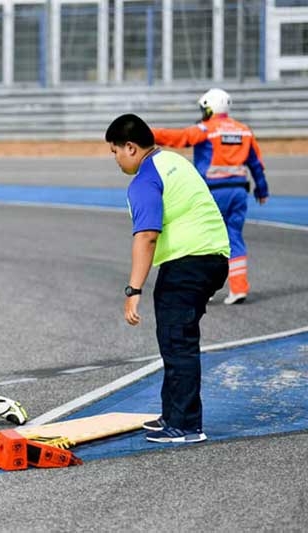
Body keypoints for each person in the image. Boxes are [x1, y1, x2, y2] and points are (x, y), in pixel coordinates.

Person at [106, 113, 229, 444]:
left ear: (130, 147)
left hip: (189, 263)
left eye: (114, 150)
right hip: (211, 257)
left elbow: (146, 236)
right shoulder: (172, 160)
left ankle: (186, 426)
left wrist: (133, 290)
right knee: (175, 338)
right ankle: (173, 415)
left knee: (178, 342)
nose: (114, 158)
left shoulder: (145, 180)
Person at [151, 88, 269, 304]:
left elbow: (178, 138)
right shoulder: (244, 130)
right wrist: (262, 190)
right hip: (239, 193)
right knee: (234, 237)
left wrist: (149, 133)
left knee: (206, 240)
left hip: (213, 193)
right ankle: (239, 288)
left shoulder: (206, 129)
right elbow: (256, 163)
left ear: (209, 108)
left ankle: (206, 288)